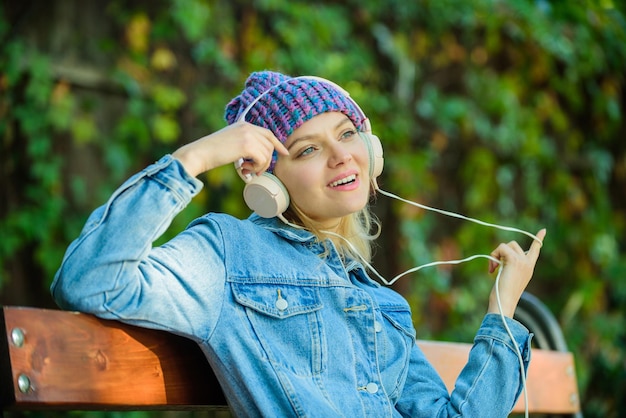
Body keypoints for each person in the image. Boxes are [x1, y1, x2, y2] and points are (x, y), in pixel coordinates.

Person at [51, 70, 546, 417]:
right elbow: (91, 280)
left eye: (348, 134)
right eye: (308, 148)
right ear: (271, 185)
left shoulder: (384, 306)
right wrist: (195, 158)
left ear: (371, 154)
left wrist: (502, 311)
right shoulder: (230, 253)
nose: (339, 156)